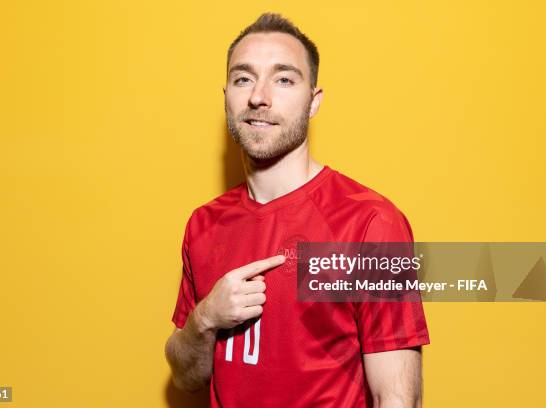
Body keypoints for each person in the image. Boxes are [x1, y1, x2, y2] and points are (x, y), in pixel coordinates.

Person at [165, 12, 430, 407]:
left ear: (313, 102)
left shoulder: (370, 224)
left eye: (284, 79)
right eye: (244, 78)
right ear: (227, 99)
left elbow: (395, 397)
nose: (259, 96)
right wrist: (204, 319)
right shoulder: (204, 224)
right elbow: (187, 378)